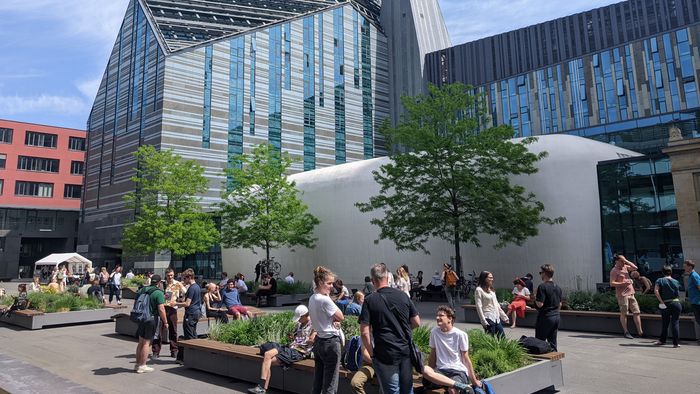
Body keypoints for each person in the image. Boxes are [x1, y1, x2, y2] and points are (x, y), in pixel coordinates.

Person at [360, 263, 420, 394]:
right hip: (404, 350)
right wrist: (402, 329)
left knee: (392, 391)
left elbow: (364, 332)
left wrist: (372, 354)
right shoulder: (403, 296)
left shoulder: (370, 300)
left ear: (373, 281)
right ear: (388, 277)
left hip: (384, 353)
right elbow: (416, 322)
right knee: (407, 390)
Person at [248, 305, 316, 394]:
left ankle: (262, 387)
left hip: (299, 352)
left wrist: (312, 339)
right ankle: (262, 388)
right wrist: (291, 336)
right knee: (267, 354)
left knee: (268, 361)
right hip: (289, 347)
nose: (298, 320)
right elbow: (294, 337)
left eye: (299, 318)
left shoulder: (314, 325)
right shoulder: (299, 324)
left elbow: (312, 340)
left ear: (306, 315)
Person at [421, 306, 482, 393]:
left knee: (452, 390)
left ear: (450, 318)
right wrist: (431, 373)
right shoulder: (434, 332)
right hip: (440, 371)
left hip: (457, 372)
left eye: (441, 315)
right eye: (437, 315)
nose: (437, 318)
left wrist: (474, 381)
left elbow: (465, 358)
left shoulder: (460, 334)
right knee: (425, 369)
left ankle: (455, 385)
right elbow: (433, 354)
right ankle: (456, 384)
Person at [309, 266, 344, 394]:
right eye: (329, 283)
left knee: (318, 380)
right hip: (330, 342)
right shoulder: (324, 300)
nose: (331, 287)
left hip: (319, 341)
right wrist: (328, 297)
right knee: (330, 383)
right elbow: (341, 316)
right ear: (320, 283)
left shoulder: (313, 298)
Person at [134, 274, 167, 374]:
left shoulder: (142, 290)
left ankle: (137, 364)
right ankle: (143, 366)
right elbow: (161, 309)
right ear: (159, 282)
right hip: (151, 319)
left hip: (141, 317)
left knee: (140, 342)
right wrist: (165, 322)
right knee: (147, 343)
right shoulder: (158, 293)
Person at [153, 268, 186, 359]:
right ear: (166, 275)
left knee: (173, 330)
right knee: (158, 330)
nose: (170, 277)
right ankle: (156, 351)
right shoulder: (161, 284)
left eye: (171, 275)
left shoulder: (178, 284)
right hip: (162, 307)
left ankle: (174, 350)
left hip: (172, 309)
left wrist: (180, 301)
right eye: (168, 275)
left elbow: (185, 293)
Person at [610, 254, 644, 339]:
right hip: (622, 295)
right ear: (617, 261)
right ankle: (626, 332)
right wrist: (624, 283)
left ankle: (640, 332)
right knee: (624, 313)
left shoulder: (625, 267)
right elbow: (612, 283)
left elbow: (635, 268)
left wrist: (626, 261)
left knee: (637, 312)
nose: (623, 263)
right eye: (621, 261)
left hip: (631, 293)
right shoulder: (614, 271)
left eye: (624, 261)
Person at [171, 271, 202, 363]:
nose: (183, 280)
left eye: (184, 278)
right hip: (196, 312)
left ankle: (190, 358)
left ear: (189, 277)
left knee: (189, 336)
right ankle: (194, 356)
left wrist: (175, 303)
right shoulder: (197, 287)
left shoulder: (192, 288)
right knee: (193, 333)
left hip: (191, 313)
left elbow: (187, 303)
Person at [653, 265, 682, 348]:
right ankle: (676, 343)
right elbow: (679, 294)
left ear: (662, 272)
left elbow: (656, 291)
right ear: (671, 272)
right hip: (676, 303)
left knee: (665, 323)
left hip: (666, 303)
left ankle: (662, 340)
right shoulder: (676, 281)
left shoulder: (660, 280)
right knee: (675, 323)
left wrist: (661, 301)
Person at [535, 264, 562, 351]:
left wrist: (535, 297)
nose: (540, 275)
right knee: (553, 342)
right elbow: (560, 304)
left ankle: (540, 362)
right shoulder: (558, 287)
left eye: (540, 273)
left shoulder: (542, 286)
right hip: (556, 316)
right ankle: (554, 362)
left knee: (539, 342)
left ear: (545, 273)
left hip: (546, 317)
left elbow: (540, 304)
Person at [474, 271, 509, 337]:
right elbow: (479, 306)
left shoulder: (491, 289)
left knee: (502, 338)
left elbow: (497, 305)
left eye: (492, 277)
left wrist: (504, 316)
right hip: (488, 317)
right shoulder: (479, 290)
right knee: (490, 340)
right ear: (484, 278)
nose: (492, 279)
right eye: (490, 277)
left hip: (496, 317)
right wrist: (483, 321)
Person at [684, 260, 700, 342]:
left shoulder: (694, 275)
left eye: (685, 266)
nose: (684, 267)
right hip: (694, 301)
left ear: (690, 266)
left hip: (697, 302)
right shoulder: (690, 275)